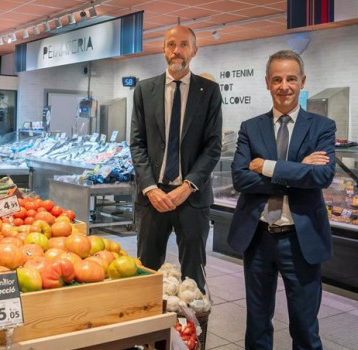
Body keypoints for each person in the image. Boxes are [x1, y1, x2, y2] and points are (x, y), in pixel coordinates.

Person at [228, 50, 335, 350]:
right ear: (267, 83)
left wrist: (267, 166)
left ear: (302, 81)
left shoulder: (322, 127)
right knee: (258, 325)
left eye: (290, 79)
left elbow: (322, 176)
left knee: (304, 327)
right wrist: (299, 170)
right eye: (277, 79)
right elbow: (240, 178)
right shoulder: (251, 127)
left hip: (301, 241)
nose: (284, 86)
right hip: (258, 238)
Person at [130, 26, 223, 292]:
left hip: (192, 199)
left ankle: (196, 333)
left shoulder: (210, 92)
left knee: (193, 277)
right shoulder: (144, 90)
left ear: (194, 50)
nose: (176, 51)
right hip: (152, 199)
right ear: (163, 49)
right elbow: (137, 144)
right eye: (171, 44)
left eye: (183, 45)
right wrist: (150, 188)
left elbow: (213, 146)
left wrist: (188, 185)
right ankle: (148, 333)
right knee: (146, 271)